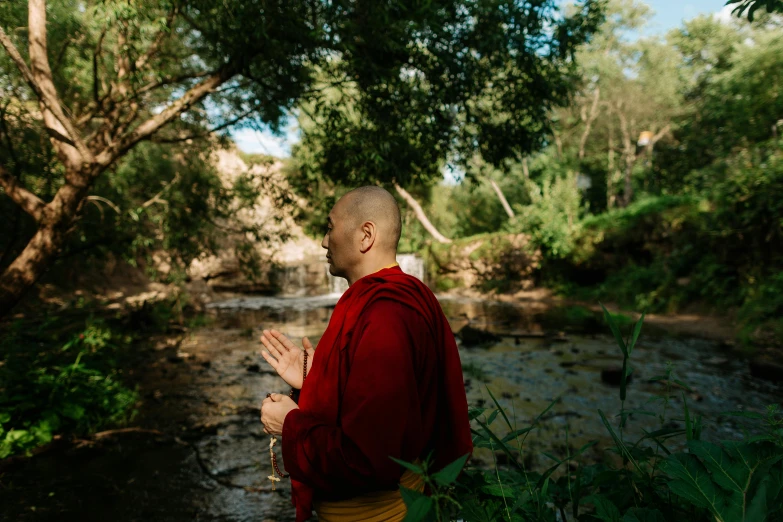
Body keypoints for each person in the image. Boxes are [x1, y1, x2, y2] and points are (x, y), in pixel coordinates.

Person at [259, 186, 472, 522]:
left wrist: (289, 424)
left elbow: (367, 459)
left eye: (329, 227)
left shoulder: (385, 315)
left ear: (366, 235)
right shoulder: (405, 296)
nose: (324, 242)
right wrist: (317, 382)